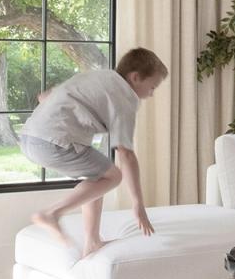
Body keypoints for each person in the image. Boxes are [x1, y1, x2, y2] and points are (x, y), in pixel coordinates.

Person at [19, 48, 168, 257]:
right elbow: (126, 154)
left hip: (28, 137)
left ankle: (92, 242)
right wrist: (138, 204)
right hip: (52, 142)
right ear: (135, 78)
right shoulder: (125, 99)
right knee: (114, 175)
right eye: (152, 87)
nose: (151, 94)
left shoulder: (99, 76)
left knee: (99, 177)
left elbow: (45, 96)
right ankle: (52, 213)